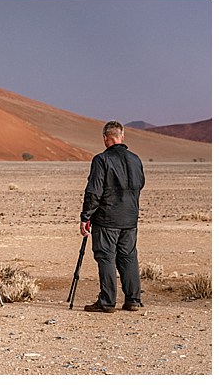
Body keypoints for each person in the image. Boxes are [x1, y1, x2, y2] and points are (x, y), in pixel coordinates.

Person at [80, 121, 145, 313]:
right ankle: (133, 299)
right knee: (128, 257)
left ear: (105, 139)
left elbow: (94, 190)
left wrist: (86, 216)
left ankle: (107, 301)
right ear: (122, 136)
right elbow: (140, 184)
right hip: (130, 218)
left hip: (107, 218)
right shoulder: (135, 159)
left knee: (106, 257)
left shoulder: (101, 160)